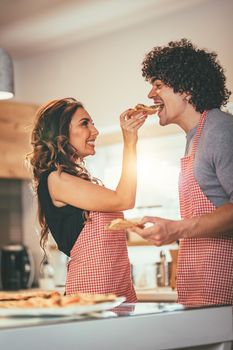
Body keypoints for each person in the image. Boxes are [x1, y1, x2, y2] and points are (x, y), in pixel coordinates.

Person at [131, 39, 233, 306]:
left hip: (223, 280)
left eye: (158, 85)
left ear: (186, 89)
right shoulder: (194, 137)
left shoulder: (221, 129)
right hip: (198, 279)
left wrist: (177, 228)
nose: (151, 95)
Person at [28, 97, 148, 302]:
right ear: (61, 132)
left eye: (92, 123)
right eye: (85, 123)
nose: (95, 131)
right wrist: (129, 142)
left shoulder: (74, 179)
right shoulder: (55, 180)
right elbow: (124, 199)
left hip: (119, 289)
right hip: (90, 293)